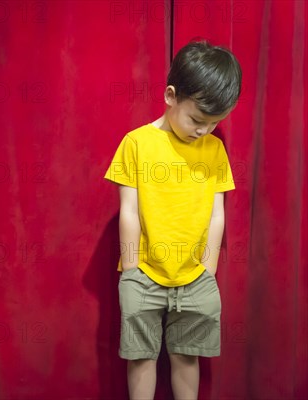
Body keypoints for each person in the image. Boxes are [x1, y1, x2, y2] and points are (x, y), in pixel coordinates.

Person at [104, 40, 242, 399]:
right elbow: (129, 211)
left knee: (186, 355)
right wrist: (132, 270)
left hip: (195, 275)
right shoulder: (136, 143)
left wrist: (208, 269)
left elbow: (217, 213)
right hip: (144, 273)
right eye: (197, 120)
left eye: (214, 124)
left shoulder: (214, 150)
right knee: (141, 356)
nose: (203, 131)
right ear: (170, 96)